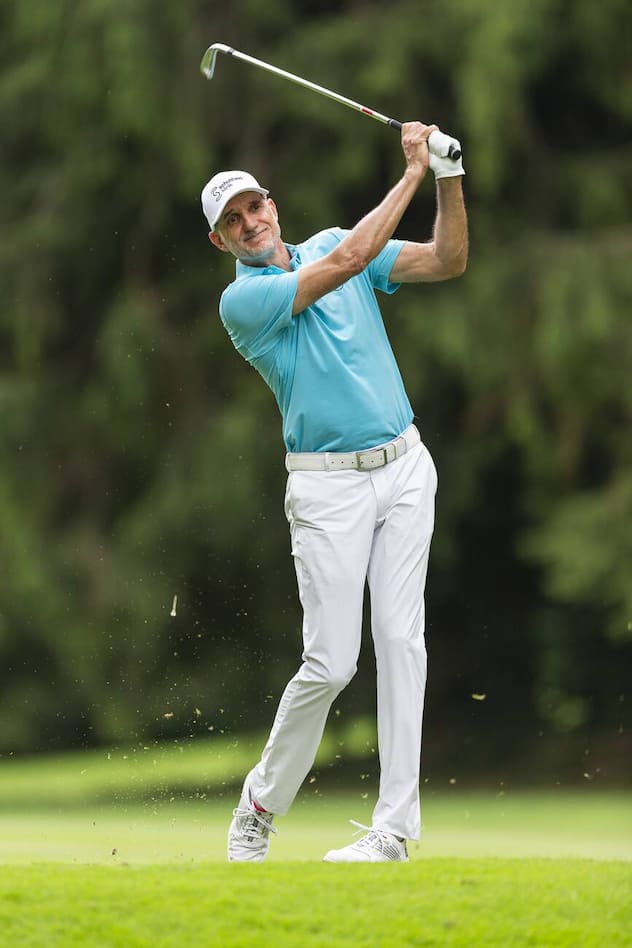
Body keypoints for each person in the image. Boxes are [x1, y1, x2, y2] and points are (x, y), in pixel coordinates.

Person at [201, 121, 467, 862]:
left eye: (254, 207)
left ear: (272, 205)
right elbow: (353, 258)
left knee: (401, 641)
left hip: (406, 467)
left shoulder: (325, 241)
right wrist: (412, 172)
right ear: (220, 242)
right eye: (232, 220)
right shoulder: (245, 304)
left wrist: (449, 178)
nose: (250, 222)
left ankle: (394, 832)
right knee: (332, 663)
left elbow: (447, 260)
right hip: (327, 493)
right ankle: (258, 806)